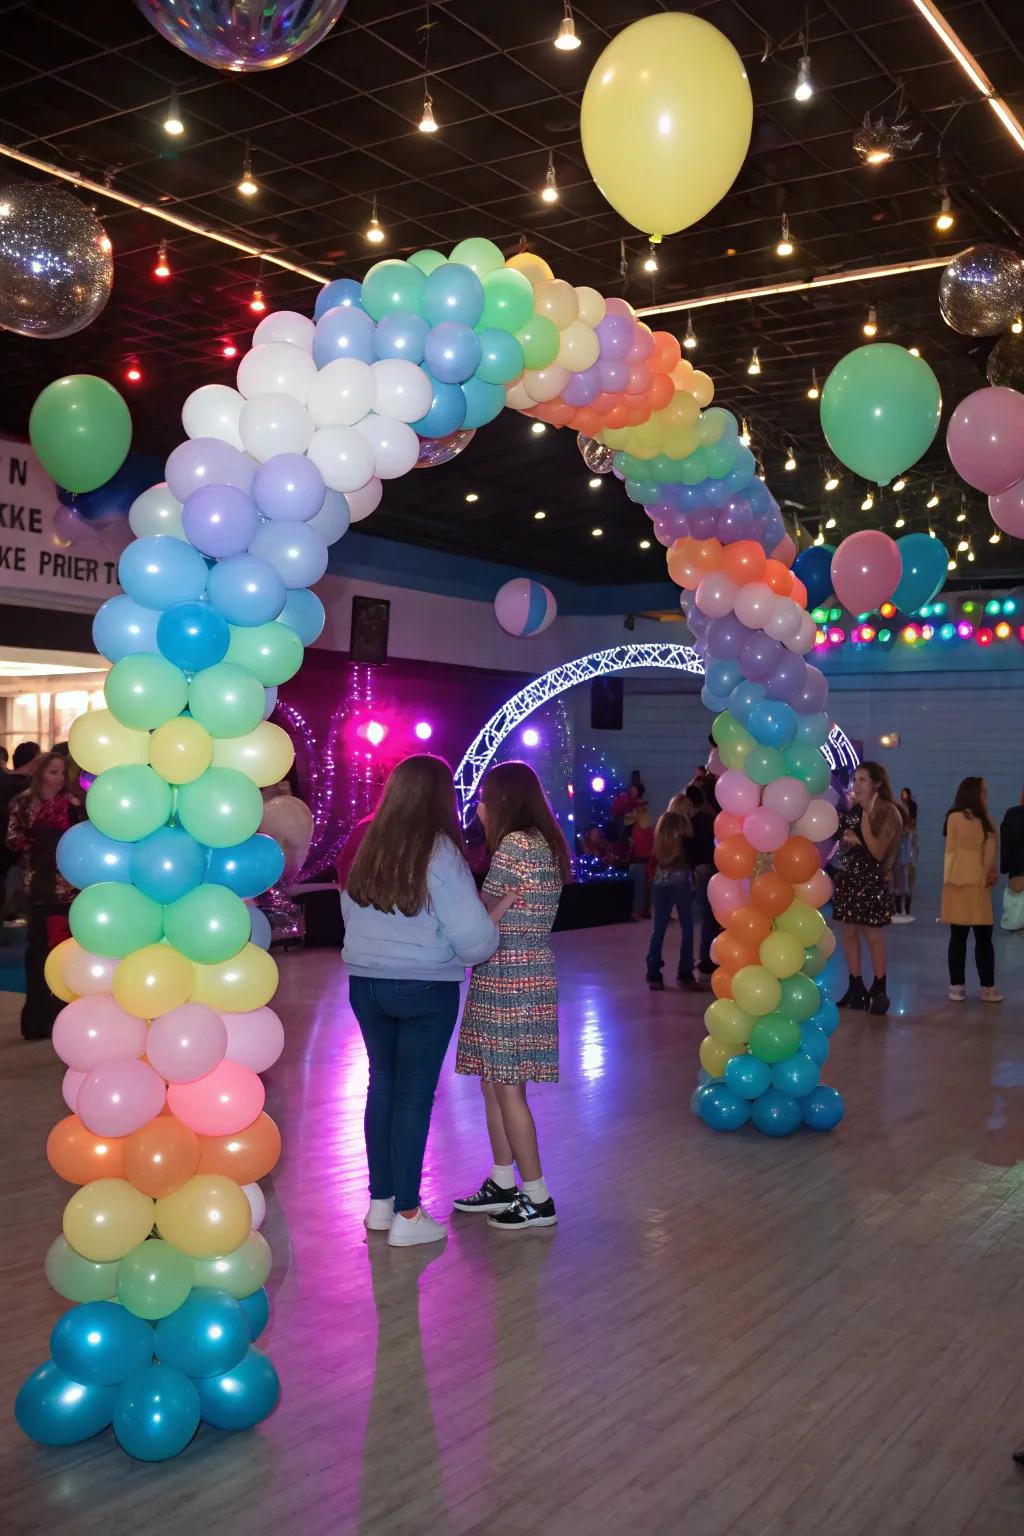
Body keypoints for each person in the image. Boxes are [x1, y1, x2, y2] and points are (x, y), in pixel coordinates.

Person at [342, 755, 500, 1248]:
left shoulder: (363, 840)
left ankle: (381, 1204)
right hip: (424, 988)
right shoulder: (439, 851)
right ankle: (409, 1214)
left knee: (382, 1085)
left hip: (365, 982)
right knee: (412, 1095)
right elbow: (475, 941)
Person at [454, 761, 570, 1231]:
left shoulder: (514, 845)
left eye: (486, 796)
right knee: (493, 1081)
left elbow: (485, 916)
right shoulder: (542, 842)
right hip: (524, 969)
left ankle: (537, 1195)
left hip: (509, 973)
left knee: (506, 1086)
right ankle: (503, 1182)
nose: (481, 803)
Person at [6, 752, 82, 1039]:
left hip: (70, 892)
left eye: (63, 773)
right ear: (41, 773)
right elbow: (13, 840)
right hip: (41, 891)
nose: (59, 779)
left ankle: (62, 1016)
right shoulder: (24, 802)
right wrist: (39, 840)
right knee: (39, 955)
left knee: (67, 956)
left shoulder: (70, 804)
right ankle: (37, 1019)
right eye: (53, 772)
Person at [833, 762, 904, 1015]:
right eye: (855, 779)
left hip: (872, 880)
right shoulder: (853, 810)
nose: (856, 784)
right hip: (849, 879)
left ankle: (879, 988)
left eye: (863, 779)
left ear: (877, 784)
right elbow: (841, 841)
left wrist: (860, 831)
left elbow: (877, 851)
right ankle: (856, 987)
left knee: (872, 934)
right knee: (848, 932)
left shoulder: (887, 812)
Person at [941, 776, 1001, 1002]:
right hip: (959, 885)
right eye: (983, 792)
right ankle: (957, 985)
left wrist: (991, 871)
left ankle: (987, 986)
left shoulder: (986, 819)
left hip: (979, 886)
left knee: (983, 937)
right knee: (959, 937)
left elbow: (990, 851)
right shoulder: (956, 817)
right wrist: (948, 882)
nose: (986, 796)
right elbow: (950, 852)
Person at [645, 796, 698, 990]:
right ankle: (684, 972)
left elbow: (655, 853)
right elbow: (691, 852)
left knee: (658, 928)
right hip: (681, 877)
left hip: (660, 877)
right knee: (687, 926)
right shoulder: (683, 824)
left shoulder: (662, 823)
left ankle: (653, 972)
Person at [685, 781, 718, 982]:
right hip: (708, 867)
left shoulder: (688, 821)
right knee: (709, 916)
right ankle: (707, 958)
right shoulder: (708, 820)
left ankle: (704, 958)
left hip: (695, 869)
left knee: (703, 915)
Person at [891, 786, 918, 923]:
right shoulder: (898, 833)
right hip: (899, 860)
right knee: (898, 885)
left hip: (906, 860)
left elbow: (912, 846)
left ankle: (905, 911)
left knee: (905, 885)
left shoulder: (909, 833)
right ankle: (898, 911)